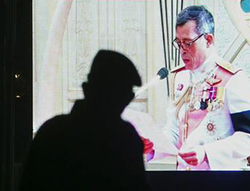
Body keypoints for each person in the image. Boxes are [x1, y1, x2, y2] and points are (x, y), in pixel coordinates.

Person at [143, 5, 250, 170]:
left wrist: (207, 152)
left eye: (188, 43)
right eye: (178, 43)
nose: (182, 50)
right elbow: (174, 131)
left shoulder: (234, 79)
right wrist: (153, 145)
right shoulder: (180, 77)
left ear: (208, 40)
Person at [19, 50, 151, 191]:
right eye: (122, 94)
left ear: (87, 89)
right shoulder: (125, 138)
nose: (126, 101)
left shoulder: (51, 132)